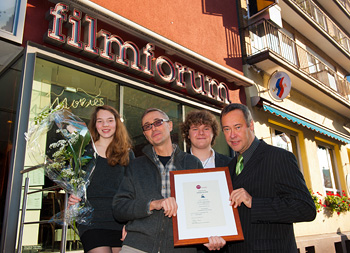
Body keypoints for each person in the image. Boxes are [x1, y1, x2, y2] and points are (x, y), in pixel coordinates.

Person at [112, 108, 226, 252]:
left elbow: (203, 206)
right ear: (145, 134)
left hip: (181, 247)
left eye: (158, 122)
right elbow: (119, 208)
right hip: (138, 245)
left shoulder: (192, 163)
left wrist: (209, 235)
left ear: (170, 125)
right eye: (148, 126)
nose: (153, 128)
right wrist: (152, 204)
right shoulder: (136, 166)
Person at [220, 103, 316, 253]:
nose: (232, 135)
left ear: (250, 125)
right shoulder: (229, 167)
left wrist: (254, 203)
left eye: (237, 127)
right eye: (227, 129)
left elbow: (305, 208)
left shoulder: (279, 157)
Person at [68, 105, 134, 253]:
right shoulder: (83, 150)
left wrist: (131, 223)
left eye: (110, 120)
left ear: (117, 123)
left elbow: (132, 192)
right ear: (94, 124)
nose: (105, 125)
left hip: (119, 221)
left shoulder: (127, 154)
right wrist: (72, 196)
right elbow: (75, 183)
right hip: (91, 220)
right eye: (100, 121)